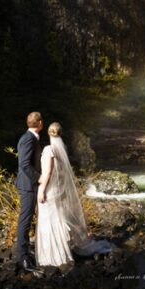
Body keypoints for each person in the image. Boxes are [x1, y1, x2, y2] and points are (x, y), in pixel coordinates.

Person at [36, 122, 113, 266]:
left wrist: (41, 189)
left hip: (50, 190)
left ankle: (53, 257)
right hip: (59, 189)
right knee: (58, 219)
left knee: (50, 221)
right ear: (60, 133)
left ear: (48, 133)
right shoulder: (62, 148)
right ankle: (63, 253)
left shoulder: (48, 149)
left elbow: (48, 172)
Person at [15, 111, 44, 274]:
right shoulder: (28, 139)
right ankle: (22, 258)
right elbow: (24, 164)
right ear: (40, 123)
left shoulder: (31, 137)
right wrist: (39, 178)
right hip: (28, 185)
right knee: (25, 221)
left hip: (29, 185)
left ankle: (25, 253)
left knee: (26, 220)